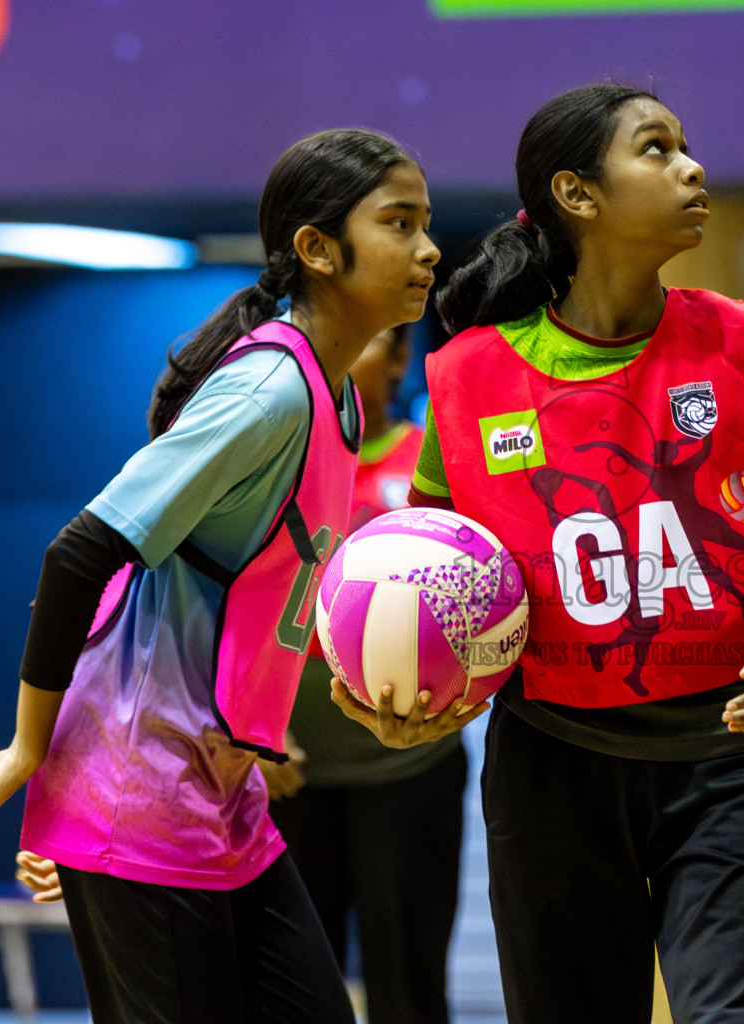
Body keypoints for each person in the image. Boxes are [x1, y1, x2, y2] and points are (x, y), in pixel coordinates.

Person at [0, 128, 475, 1024]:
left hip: (217, 790)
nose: (430, 249)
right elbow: (78, 554)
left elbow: (280, 598)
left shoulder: (340, 398)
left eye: (428, 223)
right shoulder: (268, 391)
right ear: (319, 250)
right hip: (141, 791)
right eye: (400, 223)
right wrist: (31, 754)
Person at [410, 82, 744, 1024]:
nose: (691, 167)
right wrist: (401, 697)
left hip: (728, 754)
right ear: (578, 194)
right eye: (656, 149)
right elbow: (426, 595)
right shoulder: (469, 379)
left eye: (685, 145)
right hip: (550, 765)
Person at [264, 323, 469, 1024]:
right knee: (293, 991)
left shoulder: (432, 463)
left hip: (409, 771)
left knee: (408, 991)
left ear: (401, 358)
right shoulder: (274, 465)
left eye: (370, 340)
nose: (350, 357)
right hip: (289, 770)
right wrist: (249, 728)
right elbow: (231, 607)